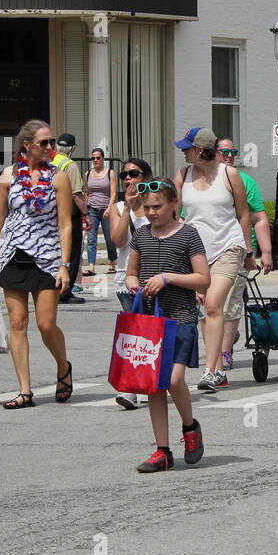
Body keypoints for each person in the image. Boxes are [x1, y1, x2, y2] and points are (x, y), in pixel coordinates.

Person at [0, 120, 74, 409]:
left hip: (46, 258)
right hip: (13, 255)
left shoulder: (59, 177)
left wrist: (65, 265)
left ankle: (63, 367)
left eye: (52, 142)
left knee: (46, 324)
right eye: (44, 143)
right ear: (27, 145)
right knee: (17, 323)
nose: (50, 147)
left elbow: (65, 223)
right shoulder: (9, 175)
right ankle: (24, 390)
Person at [125, 180, 210, 472]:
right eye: (147, 207)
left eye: (157, 206)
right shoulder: (141, 236)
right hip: (151, 323)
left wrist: (167, 277)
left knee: (174, 380)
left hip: (181, 318)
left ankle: (190, 427)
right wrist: (136, 286)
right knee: (154, 386)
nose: (151, 212)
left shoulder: (189, 235)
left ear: (174, 204)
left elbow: (203, 279)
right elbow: (130, 274)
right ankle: (162, 451)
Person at [173, 126, 252, 392]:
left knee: (214, 304)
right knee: (205, 312)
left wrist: (248, 251)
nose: (183, 152)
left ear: (201, 149)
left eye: (187, 148)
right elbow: (174, 213)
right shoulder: (183, 175)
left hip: (228, 246)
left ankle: (209, 370)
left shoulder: (230, 175)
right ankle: (218, 369)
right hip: (195, 250)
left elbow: (243, 214)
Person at [217, 137, 273, 372]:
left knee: (231, 303)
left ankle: (224, 352)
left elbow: (258, 218)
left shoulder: (246, 181)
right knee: (211, 305)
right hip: (206, 251)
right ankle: (224, 337)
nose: (229, 155)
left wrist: (265, 252)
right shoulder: (202, 181)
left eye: (233, 151)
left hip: (237, 251)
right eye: (224, 151)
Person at [107, 160, 153, 410]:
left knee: (152, 333)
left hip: (156, 278)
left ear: (146, 176)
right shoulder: (118, 207)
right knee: (135, 333)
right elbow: (118, 240)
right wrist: (128, 210)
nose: (128, 178)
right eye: (124, 175)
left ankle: (151, 381)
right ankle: (131, 388)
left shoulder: (157, 203)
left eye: (133, 174)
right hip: (128, 279)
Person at [52, 133, 87, 305]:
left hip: (52, 214)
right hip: (70, 214)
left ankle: (53, 289)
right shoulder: (70, 165)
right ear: (73, 149)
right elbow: (76, 195)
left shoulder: (50, 162)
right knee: (72, 252)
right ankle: (65, 292)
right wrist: (87, 214)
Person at [83, 148, 115, 275]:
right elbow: (87, 193)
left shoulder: (110, 173)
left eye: (98, 157)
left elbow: (113, 193)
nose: (95, 160)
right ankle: (91, 266)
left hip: (106, 209)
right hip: (92, 209)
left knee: (109, 238)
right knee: (91, 239)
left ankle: (112, 263)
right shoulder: (87, 174)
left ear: (103, 158)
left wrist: (109, 208)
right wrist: (85, 211)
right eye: (93, 158)